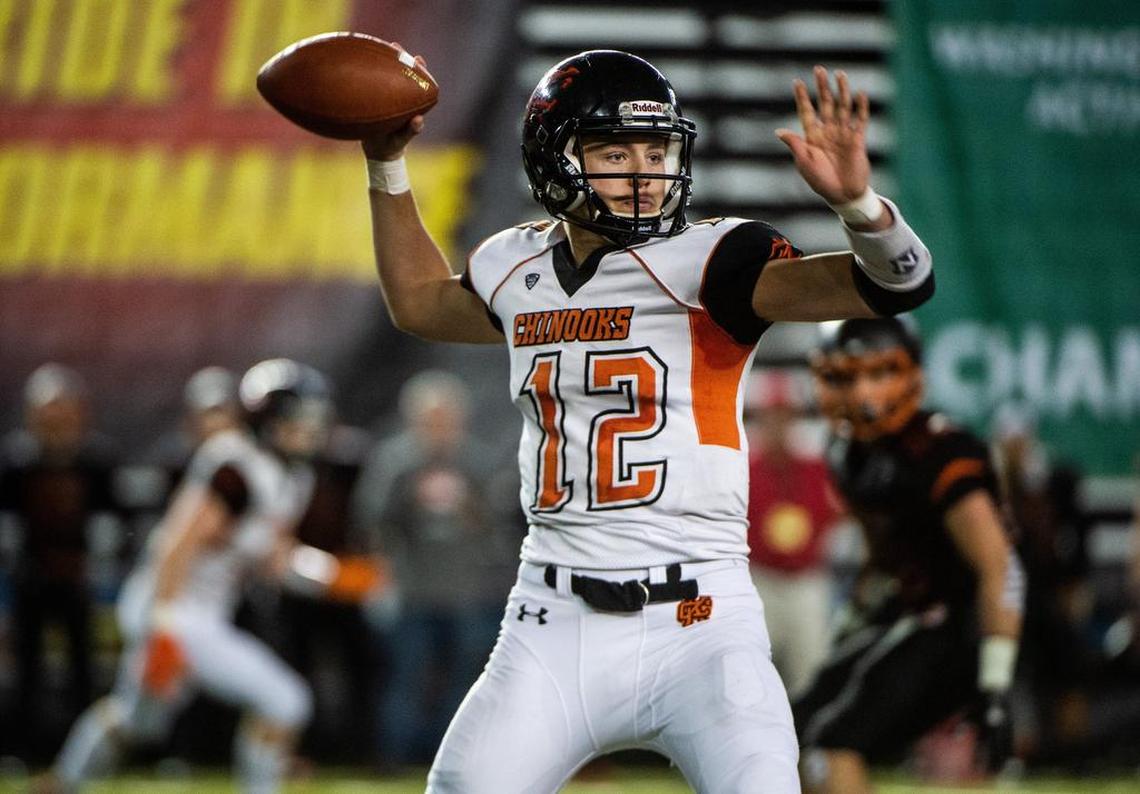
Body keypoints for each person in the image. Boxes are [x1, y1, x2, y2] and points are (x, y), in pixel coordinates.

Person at [360, 48, 935, 793]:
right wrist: (385, 166)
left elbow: (898, 285)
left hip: (700, 623)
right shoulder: (515, 267)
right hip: (553, 615)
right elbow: (419, 303)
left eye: (656, 148)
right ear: (554, 157)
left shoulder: (714, 263)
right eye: (613, 149)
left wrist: (860, 208)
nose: (642, 170)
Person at [36, 359, 382, 794]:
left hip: (200, 613)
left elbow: (274, 560)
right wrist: (163, 627)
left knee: (138, 720)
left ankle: (63, 783)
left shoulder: (291, 478)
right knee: (285, 700)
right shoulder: (236, 465)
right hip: (175, 610)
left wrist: (331, 577)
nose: (310, 431)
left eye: (315, 420)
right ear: (267, 419)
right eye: (299, 420)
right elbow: (175, 544)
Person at [793, 318, 1024, 793]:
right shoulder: (846, 453)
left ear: (912, 375)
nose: (861, 393)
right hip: (910, 612)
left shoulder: (938, 448)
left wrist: (996, 682)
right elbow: (883, 550)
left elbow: (1000, 566)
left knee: (832, 740)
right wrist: (858, 615)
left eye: (878, 374)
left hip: (962, 623)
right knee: (790, 728)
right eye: (845, 376)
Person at [351, 369, 518, 768]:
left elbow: (499, 527)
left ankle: (451, 757)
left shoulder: (478, 463)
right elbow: (370, 521)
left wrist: (468, 507)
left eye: (446, 420)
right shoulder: (396, 463)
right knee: (405, 679)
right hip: (411, 589)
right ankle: (394, 757)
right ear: (414, 421)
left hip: (466, 591)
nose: (439, 429)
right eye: (431, 420)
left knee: (464, 683)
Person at [0, 364, 123, 761]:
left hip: (78, 579)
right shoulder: (18, 460)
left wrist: (93, 568)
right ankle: (25, 750)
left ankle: (85, 754)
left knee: (84, 670)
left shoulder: (95, 459)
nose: (55, 418)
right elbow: (9, 524)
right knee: (28, 669)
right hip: (31, 579)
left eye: (62, 408)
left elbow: (108, 523)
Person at [744, 369, 843, 698]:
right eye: (770, 416)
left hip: (805, 581)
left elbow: (836, 516)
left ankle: (808, 742)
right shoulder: (745, 467)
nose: (777, 424)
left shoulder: (814, 468)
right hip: (760, 582)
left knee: (811, 670)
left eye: (784, 415)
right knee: (753, 665)